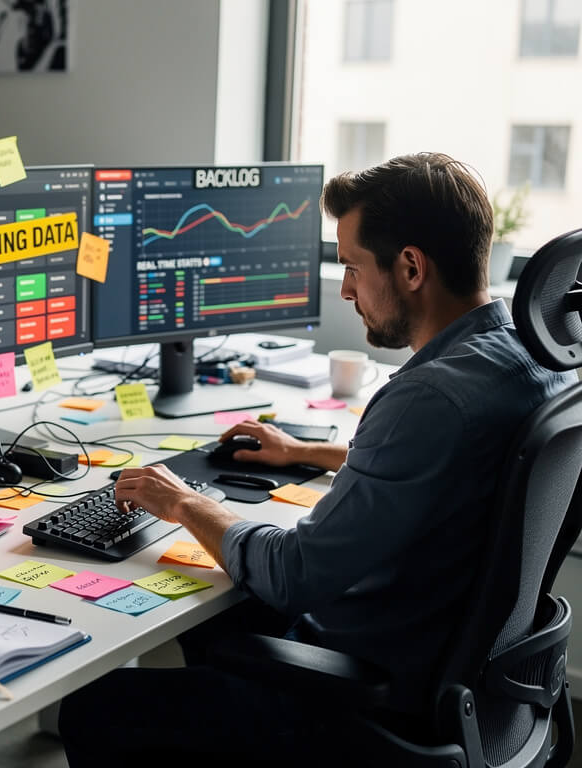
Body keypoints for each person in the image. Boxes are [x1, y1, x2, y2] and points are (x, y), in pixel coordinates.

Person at [58, 153, 575, 765]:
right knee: (211, 610)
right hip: (478, 686)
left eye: (353, 267)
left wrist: (183, 501)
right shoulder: (533, 361)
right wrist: (305, 451)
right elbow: (456, 466)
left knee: (96, 705)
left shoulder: (427, 399)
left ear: (410, 267)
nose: (348, 287)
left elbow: (296, 572)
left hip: (379, 698)